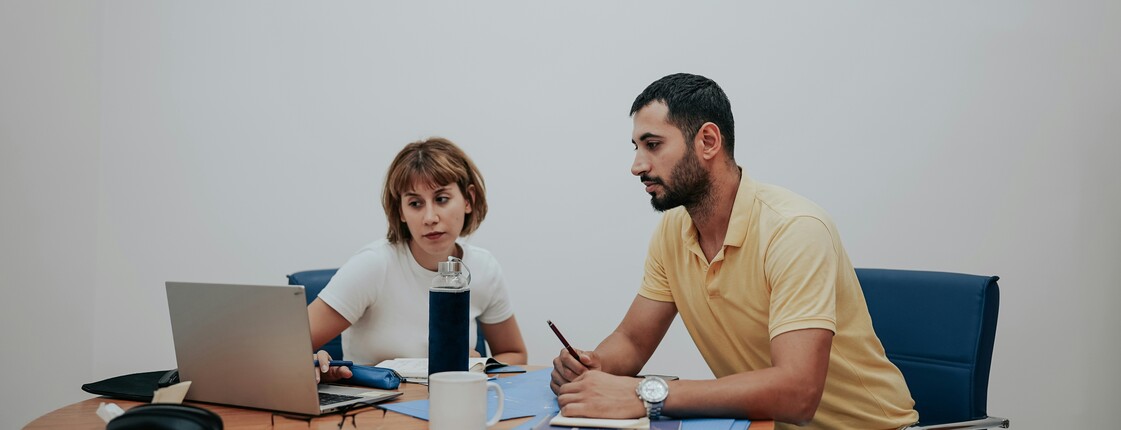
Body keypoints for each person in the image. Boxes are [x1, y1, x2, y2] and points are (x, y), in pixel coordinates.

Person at [550, 74, 918, 429]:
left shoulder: (794, 230)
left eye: (654, 144)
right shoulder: (672, 231)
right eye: (636, 148)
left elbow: (798, 395)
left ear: (708, 141)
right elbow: (631, 341)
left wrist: (648, 394)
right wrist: (593, 367)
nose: (637, 166)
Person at [311, 137, 527, 382]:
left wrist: (478, 365)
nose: (430, 217)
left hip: (452, 401)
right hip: (378, 409)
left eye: (442, 199)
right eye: (415, 203)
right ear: (401, 211)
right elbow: (286, 349)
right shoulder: (373, 265)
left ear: (468, 200)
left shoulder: (483, 267)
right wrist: (317, 364)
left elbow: (515, 354)